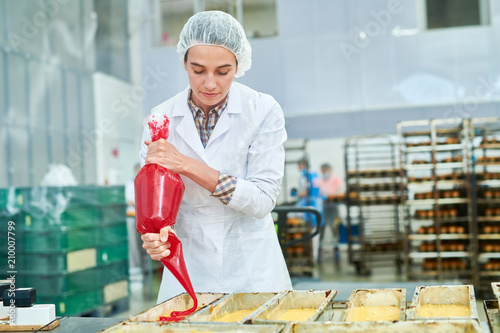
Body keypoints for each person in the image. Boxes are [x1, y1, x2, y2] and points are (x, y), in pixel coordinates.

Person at [139, 10, 292, 303]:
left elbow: (262, 200)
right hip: (188, 268)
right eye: (198, 70)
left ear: (238, 66)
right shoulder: (160, 120)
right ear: (184, 62)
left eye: (223, 72)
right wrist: (155, 236)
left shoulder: (262, 111)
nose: (210, 83)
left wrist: (187, 165)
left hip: (251, 268)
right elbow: (155, 204)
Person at [318, 163, 343, 263]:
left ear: (329, 170)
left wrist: (330, 197)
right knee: (322, 229)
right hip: (324, 209)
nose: (324, 173)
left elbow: (339, 193)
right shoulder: (320, 181)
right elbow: (318, 193)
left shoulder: (336, 180)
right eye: (322, 171)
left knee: (335, 229)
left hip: (334, 209)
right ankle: (319, 252)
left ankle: (336, 251)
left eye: (325, 171)